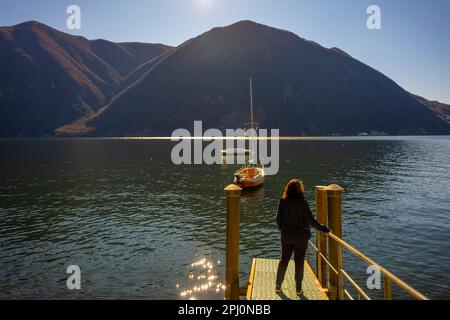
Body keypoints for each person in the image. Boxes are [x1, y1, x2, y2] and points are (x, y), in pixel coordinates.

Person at [275, 179, 330, 296]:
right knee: (299, 262)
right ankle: (298, 288)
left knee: (284, 260)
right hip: (301, 238)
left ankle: (278, 286)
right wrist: (324, 228)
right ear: (299, 190)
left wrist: (283, 229)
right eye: (302, 187)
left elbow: (278, 220)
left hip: (286, 236)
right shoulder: (303, 204)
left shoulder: (282, 202)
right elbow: (312, 221)